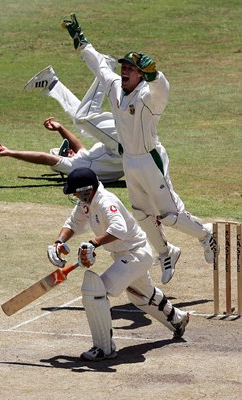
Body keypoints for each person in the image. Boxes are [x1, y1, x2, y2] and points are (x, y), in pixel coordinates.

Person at [61, 13, 218, 285]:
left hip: (150, 159)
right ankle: (167, 253)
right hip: (129, 162)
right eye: (124, 67)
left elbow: (163, 89)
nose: (124, 71)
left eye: (131, 69)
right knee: (143, 214)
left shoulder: (148, 96)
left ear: (140, 74)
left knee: (169, 216)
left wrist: (155, 74)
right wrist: (82, 41)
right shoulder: (114, 86)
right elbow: (99, 65)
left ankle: (207, 236)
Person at [47, 167, 189, 361]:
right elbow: (72, 224)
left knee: (96, 292)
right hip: (126, 255)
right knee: (141, 296)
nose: (74, 195)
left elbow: (118, 229)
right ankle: (178, 318)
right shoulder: (86, 203)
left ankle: (104, 348)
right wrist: (59, 242)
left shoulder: (106, 201)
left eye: (76, 191)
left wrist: (94, 243)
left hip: (135, 254)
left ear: (88, 189)